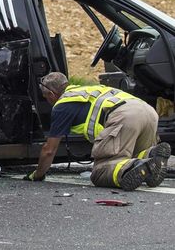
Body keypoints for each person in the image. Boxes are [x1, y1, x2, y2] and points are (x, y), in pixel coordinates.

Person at [26, 71, 171, 190]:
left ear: (51, 94)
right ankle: (151, 155)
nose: (48, 101)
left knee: (101, 171)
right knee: (132, 153)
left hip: (124, 116)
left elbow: (49, 150)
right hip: (148, 112)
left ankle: (131, 167)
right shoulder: (85, 90)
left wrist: (38, 174)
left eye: (46, 97)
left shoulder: (62, 105)